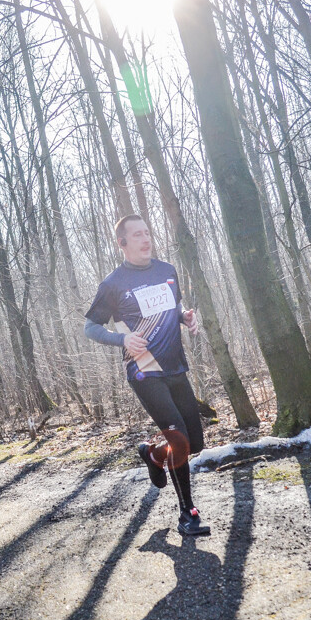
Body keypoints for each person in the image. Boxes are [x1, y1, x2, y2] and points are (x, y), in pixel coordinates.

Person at [84, 214, 210, 536]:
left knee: (193, 442)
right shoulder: (112, 284)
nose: (145, 239)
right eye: (137, 235)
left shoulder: (167, 271)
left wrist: (186, 318)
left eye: (147, 232)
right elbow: (91, 327)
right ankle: (188, 514)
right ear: (122, 243)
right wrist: (122, 339)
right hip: (143, 371)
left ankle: (152, 454)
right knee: (178, 435)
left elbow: (175, 307)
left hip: (176, 366)